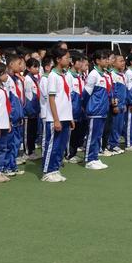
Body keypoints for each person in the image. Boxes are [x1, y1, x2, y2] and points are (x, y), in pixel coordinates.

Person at [42, 47, 74, 182]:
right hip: (55, 117)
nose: (69, 60)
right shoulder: (53, 76)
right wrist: (56, 119)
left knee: (61, 146)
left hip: (65, 116)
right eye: (66, 58)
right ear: (58, 59)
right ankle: (47, 172)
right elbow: (51, 99)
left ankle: (55, 169)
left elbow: (68, 98)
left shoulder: (66, 75)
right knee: (53, 145)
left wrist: (70, 117)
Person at [82, 50, 110, 170]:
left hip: (102, 110)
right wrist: (88, 106)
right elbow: (86, 93)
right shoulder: (93, 74)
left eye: (107, 59)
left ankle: (94, 157)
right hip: (95, 110)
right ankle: (89, 159)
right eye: (104, 59)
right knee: (92, 135)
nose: (107, 61)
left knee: (98, 135)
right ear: (97, 61)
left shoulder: (103, 74)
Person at [4, 54, 25, 176]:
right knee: (9, 143)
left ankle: (12, 165)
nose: (21, 66)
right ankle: (6, 166)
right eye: (19, 63)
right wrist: (9, 117)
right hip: (11, 118)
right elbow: (7, 101)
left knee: (16, 143)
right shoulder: (6, 79)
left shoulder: (16, 79)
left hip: (18, 117)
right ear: (11, 64)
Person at [65, 52, 86, 163]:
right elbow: (69, 95)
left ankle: (73, 153)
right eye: (79, 61)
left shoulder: (79, 76)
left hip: (79, 110)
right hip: (72, 110)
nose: (81, 64)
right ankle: (68, 154)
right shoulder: (68, 76)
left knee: (76, 134)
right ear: (72, 62)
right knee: (70, 133)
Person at [106, 55, 127, 154]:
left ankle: (116, 143)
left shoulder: (122, 75)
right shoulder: (113, 75)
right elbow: (114, 91)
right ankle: (112, 144)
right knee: (114, 126)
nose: (123, 63)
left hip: (122, 105)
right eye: (120, 61)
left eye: (123, 61)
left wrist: (124, 104)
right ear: (114, 63)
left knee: (119, 126)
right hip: (116, 105)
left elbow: (123, 91)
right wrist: (115, 105)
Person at [24, 58, 41, 161]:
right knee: (28, 133)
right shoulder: (27, 79)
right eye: (34, 66)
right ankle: (27, 152)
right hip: (29, 111)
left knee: (33, 132)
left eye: (38, 66)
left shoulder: (34, 79)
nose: (37, 68)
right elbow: (28, 96)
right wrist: (29, 110)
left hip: (35, 110)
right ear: (28, 68)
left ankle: (32, 151)